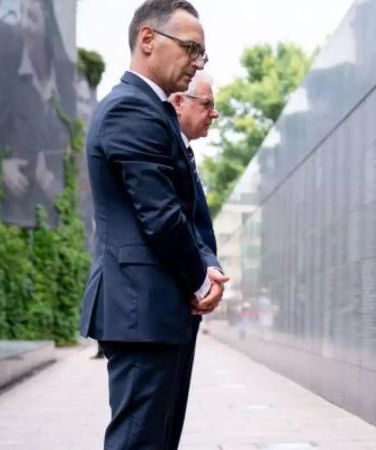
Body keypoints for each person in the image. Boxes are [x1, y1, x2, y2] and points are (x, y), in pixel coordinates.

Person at [77, 1, 229, 448]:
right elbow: (161, 215)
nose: (197, 61)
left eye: (203, 53)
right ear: (147, 40)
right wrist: (202, 282)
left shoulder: (154, 111)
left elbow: (182, 211)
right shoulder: (131, 109)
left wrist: (206, 267)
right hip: (140, 311)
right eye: (190, 48)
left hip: (157, 312)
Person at [0, 0, 77, 227]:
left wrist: (48, 178)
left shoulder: (66, 78)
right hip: (12, 213)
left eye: (31, 16)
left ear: (47, 22)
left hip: (56, 217)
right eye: (20, 14)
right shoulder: (6, 73)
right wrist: (2, 167)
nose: (23, 24)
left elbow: (76, 152)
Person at [164, 71, 221, 448]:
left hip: (181, 311)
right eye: (207, 103)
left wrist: (212, 269)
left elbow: (197, 225)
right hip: (162, 307)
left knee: (166, 429)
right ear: (179, 102)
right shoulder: (160, 144)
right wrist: (203, 281)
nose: (214, 114)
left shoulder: (184, 151)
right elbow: (168, 221)